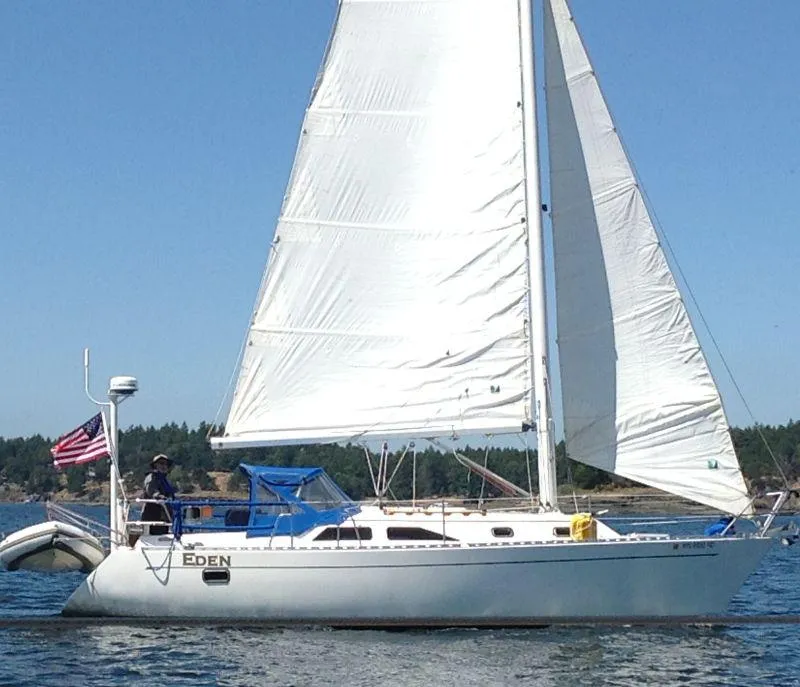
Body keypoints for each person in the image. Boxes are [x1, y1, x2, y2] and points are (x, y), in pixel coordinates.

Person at [141, 454, 177, 526]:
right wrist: (159, 496)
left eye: (165, 464)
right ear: (155, 465)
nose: (163, 466)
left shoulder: (165, 480)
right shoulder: (151, 478)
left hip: (165, 514)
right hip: (152, 514)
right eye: (161, 463)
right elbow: (151, 491)